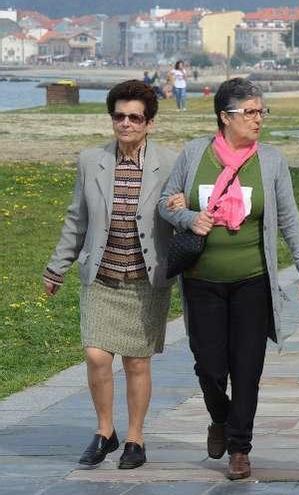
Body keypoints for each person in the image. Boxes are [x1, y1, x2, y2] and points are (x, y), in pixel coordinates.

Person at [158, 78, 299, 480]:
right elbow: (166, 201)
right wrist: (188, 217)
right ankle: (221, 418)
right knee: (210, 365)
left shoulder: (272, 161)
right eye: (250, 112)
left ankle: (240, 447)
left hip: (252, 280)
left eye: (261, 111)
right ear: (224, 117)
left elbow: (289, 218)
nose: (258, 119)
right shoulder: (194, 154)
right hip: (201, 280)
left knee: (247, 367)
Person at [43, 80, 177, 470]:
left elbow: (180, 216)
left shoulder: (169, 163)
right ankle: (105, 432)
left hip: (145, 280)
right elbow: (77, 219)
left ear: (149, 123)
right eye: (119, 116)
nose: (126, 124)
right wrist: (58, 265)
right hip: (101, 275)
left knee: (137, 361)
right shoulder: (91, 160)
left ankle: (135, 438)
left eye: (135, 117)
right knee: (96, 354)